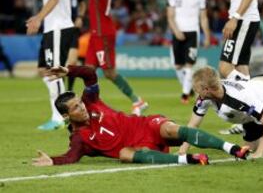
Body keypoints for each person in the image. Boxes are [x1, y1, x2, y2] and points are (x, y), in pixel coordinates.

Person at [32, 65, 250, 166]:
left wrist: (70, 71)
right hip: (137, 149)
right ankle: (186, 160)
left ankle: (232, 149)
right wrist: (52, 160)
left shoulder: (91, 101)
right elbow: (71, 157)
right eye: (76, 108)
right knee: (124, 155)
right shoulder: (80, 139)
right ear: (67, 117)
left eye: (79, 103)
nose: (82, 107)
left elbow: (90, 74)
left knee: (171, 129)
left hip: (145, 126)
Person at [82, 0, 148, 116]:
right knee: (88, 71)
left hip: (103, 33)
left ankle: (137, 101)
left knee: (109, 73)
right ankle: (91, 106)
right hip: (95, 33)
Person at [26, 0, 78, 130]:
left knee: (54, 72)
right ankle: (62, 114)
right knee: (44, 70)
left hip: (58, 28)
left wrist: (38, 18)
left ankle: (61, 117)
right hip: (51, 29)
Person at [167, 0, 211, 104]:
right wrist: (176, 31)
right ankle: (189, 89)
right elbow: (170, 16)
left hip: (193, 32)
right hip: (178, 32)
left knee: (189, 64)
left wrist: (207, 36)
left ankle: (185, 94)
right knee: (178, 66)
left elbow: (203, 17)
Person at [219, 0, 261, 81]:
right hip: (241, 19)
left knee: (225, 67)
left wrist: (235, 18)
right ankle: (251, 95)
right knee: (241, 67)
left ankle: (255, 91)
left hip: (244, 19)